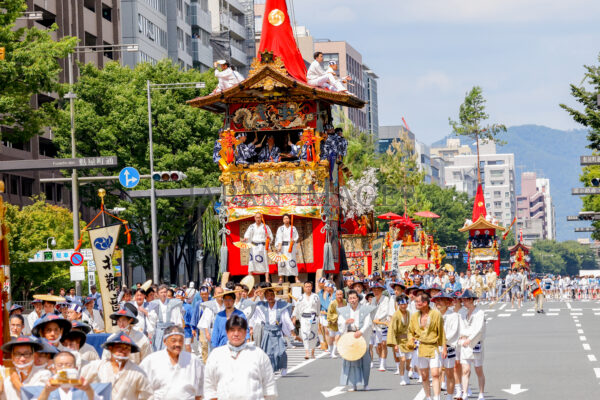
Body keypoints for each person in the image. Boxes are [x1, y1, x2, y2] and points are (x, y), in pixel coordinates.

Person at [205, 315, 277, 399]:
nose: (236, 334)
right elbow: (208, 385)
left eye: (240, 330)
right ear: (227, 332)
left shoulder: (258, 354)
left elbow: (269, 386)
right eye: (232, 330)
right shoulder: (216, 355)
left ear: (245, 332)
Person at [81, 332, 152, 400]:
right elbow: (78, 381)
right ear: (111, 348)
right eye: (119, 347)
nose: (123, 351)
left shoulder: (138, 372)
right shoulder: (97, 366)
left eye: (127, 348)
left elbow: (149, 396)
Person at [140, 325, 204, 399]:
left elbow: (200, 391)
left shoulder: (194, 361)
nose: (178, 344)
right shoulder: (151, 361)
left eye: (180, 341)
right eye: (173, 340)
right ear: (165, 341)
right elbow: (141, 389)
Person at [408, 292, 446, 400]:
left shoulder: (436, 314)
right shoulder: (415, 316)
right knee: (424, 376)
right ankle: (428, 397)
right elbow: (410, 331)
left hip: (433, 346)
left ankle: (437, 397)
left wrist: (444, 348)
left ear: (425, 303)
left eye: (417, 302)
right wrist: (411, 339)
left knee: (435, 374)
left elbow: (441, 332)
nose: (415, 304)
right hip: (420, 347)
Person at [252, 285, 294, 375]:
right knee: (268, 352)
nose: (270, 297)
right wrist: (255, 296)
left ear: (274, 295)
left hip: (277, 332)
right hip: (267, 332)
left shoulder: (281, 306)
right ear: (265, 297)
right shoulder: (262, 306)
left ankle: (283, 367)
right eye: (268, 295)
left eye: (271, 295)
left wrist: (292, 331)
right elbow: (253, 311)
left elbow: (286, 319)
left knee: (281, 351)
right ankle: (271, 369)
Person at [337, 290, 373, 392]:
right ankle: (353, 384)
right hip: (349, 336)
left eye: (354, 298)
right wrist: (345, 323)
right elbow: (340, 325)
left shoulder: (364, 309)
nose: (352, 300)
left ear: (358, 298)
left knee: (365, 361)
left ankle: (366, 384)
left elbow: (368, 323)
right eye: (350, 298)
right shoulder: (344, 311)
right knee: (352, 361)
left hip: (361, 336)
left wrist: (361, 332)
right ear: (348, 300)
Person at [458, 290, 486, 400]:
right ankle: (464, 392)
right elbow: (460, 327)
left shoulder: (480, 313)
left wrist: (469, 339)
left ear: (471, 300)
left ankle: (481, 393)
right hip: (464, 343)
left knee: (478, 369)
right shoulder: (462, 313)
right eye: (462, 300)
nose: (463, 302)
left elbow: (478, 329)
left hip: (475, 343)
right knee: (465, 369)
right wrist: (461, 338)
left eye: (465, 300)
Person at [433, 292, 460, 400]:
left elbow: (453, 332)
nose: (438, 303)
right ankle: (437, 396)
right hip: (435, 346)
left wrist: (442, 340)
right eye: (436, 301)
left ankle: (449, 396)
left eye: (441, 300)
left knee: (449, 373)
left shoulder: (453, 315)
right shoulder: (433, 314)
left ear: (447, 303)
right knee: (436, 373)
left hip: (448, 347)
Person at [148, 284, 184, 351]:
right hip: (159, 332)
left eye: (165, 292)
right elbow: (152, 321)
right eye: (161, 292)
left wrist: (178, 332)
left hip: (171, 331)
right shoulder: (154, 304)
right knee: (158, 351)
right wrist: (151, 333)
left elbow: (178, 320)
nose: (163, 294)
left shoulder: (173, 304)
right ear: (157, 294)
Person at [387, 294, 412, 386]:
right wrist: (395, 344)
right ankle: (402, 377)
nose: (403, 306)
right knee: (402, 359)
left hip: (408, 340)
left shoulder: (409, 313)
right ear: (398, 305)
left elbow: (411, 327)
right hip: (399, 340)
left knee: (409, 360)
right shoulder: (396, 315)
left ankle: (406, 375)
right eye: (401, 304)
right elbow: (392, 329)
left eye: (405, 304)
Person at [292, 281, 320, 359]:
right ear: (304, 288)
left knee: (313, 334)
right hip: (304, 317)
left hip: (313, 316)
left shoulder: (316, 296)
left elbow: (318, 308)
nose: (308, 288)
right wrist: (294, 317)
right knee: (305, 334)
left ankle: (313, 352)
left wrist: (318, 317)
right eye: (306, 286)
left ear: (311, 287)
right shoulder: (301, 297)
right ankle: (307, 352)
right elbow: (296, 308)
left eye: (309, 286)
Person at [243, 213, 274, 283]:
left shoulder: (265, 227)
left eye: (259, 217)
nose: (258, 219)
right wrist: (245, 239)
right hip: (254, 247)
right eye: (257, 217)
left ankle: (267, 279)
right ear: (254, 218)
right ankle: (249, 279)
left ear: (261, 218)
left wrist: (268, 237)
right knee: (251, 262)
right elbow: (247, 235)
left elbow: (270, 237)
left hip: (262, 247)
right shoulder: (251, 227)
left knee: (265, 262)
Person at [371, 282, 393, 372]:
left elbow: (385, 311)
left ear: (381, 290)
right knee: (378, 346)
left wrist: (378, 319)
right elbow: (371, 311)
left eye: (378, 290)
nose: (376, 292)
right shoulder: (373, 300)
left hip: (384, 323)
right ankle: (381, 359)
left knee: (384, 344)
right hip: (375, 325)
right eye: (374, 290)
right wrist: (373, 320)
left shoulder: (386, 299)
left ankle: (383, 364)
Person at [274, 214, 300, 283]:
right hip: (283, 247)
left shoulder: (293, 228)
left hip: (291, 246)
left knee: (292, 261)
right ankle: (281, 278)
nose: (286, 220)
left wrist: (293, 240)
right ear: (283, 220)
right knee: (282, 262)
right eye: (284, 218)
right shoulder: (280, 228)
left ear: (289, 219)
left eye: (287, 218)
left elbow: (296, 236)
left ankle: (296, 278)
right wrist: (279, 247)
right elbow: (279, 238)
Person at [326, 289, 347, 359]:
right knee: (331, 337)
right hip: (333, 322)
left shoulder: (345, 302)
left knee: (337, 337)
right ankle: (330, 350)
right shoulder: (333, 303)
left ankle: (333, 352)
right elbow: (329, 313)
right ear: (335, 296)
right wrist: (331, 320)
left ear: (343, 295)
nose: (339, 296)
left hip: (341, 322)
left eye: (341, 294)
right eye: (338, 295)